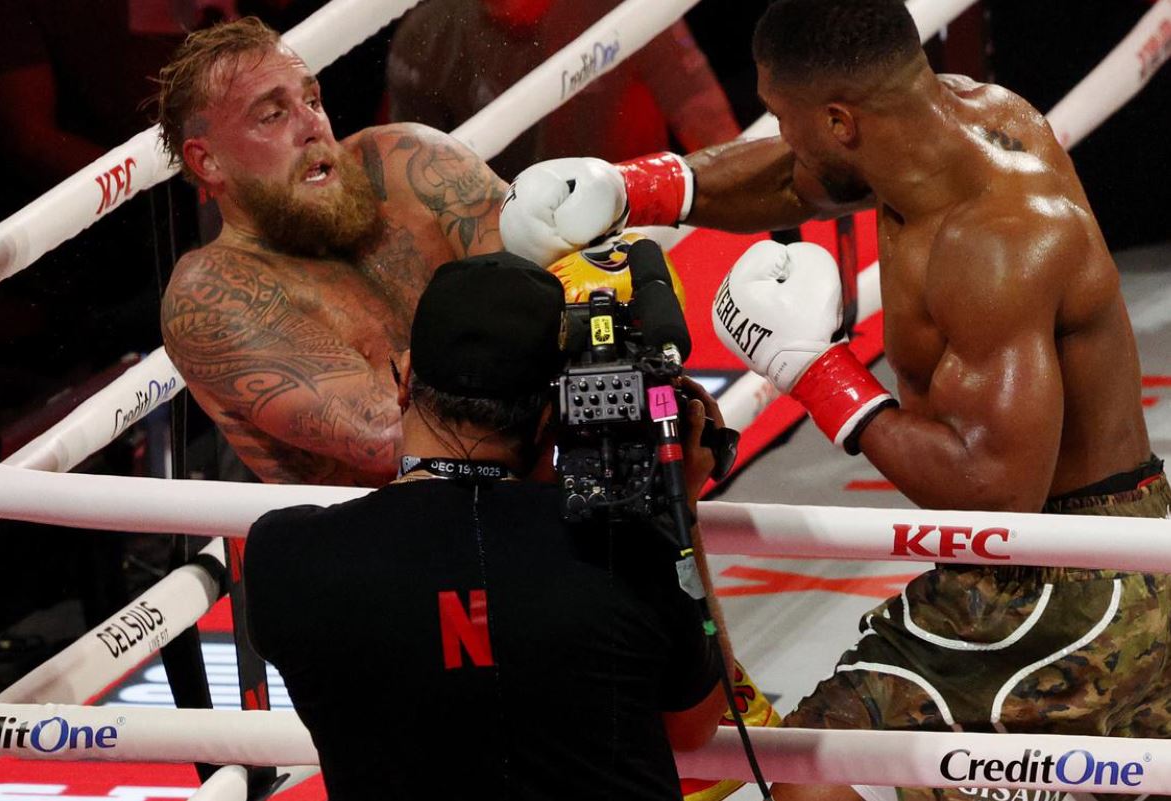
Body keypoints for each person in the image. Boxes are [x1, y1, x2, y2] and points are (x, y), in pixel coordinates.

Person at [498, 1, 1171, 800]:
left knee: (808, 774)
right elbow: (799, 176)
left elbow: (995, 493)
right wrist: (627, 189)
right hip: (1103, 546)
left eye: (783, 117)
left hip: (1060, 575)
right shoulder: (961, 120)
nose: (780, 136)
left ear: (840, 120)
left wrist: (815, 370)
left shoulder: (997, 244)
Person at [244, 252, 733, 800]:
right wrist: (679, 511)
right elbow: (696, 725)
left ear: (405, 380)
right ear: (556, 411)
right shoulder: (628, 545)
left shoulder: (282, 557)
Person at [155, 16, 508, 486]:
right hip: (405, 524)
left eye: (312, 100)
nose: (312, 126)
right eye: (272, 115)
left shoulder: (407, 163)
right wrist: (516, 333)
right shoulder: (213, 295)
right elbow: (393, 439)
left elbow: (555, 276)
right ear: (208, 161)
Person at [385, 0, 742, 181]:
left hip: (632, 230)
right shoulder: (426, 36)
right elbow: (408, 177)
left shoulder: (621, 8)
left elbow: (712, 129)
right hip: (506, 250)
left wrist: (755, 229)